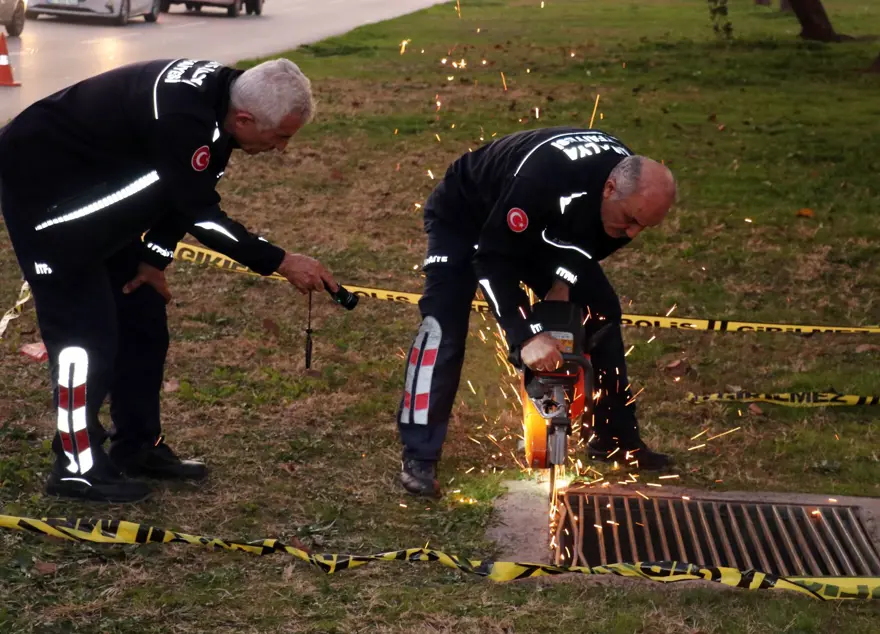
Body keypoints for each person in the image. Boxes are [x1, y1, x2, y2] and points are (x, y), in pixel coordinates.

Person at [0, 58, 339, 504]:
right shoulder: (183, 119)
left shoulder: (224, 98)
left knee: (143, 320)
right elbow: (200, 213)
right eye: (280, 137)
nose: (282, 149)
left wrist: (153, 257)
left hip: (102, 202)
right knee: (86, 342)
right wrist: (279, 260)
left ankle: (138, 446)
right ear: (245, 119)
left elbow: (183, 189)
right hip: (51, 207)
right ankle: (76, 467)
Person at [395, 126, 677, 497]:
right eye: (630, 220)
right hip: (465, 217)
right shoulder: (543, 177)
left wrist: (562, 286)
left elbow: (588, 245)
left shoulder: (625, 191)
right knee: (443, 323)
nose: (633, 234)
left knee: (601, 309)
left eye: (645, 226)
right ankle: (419, 454)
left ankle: (613, 436)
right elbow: (492, 259)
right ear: (609, 189)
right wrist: (524, 335)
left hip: (537, 226)